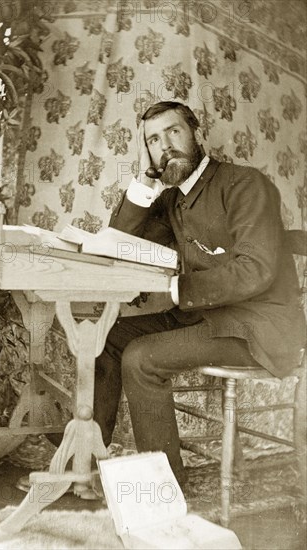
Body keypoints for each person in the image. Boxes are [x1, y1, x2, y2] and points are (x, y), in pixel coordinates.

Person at [93, 101, 306, 485]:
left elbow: (255, 269)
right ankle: (87, 461)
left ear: (195, 133)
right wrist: (144, 181)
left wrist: (176, 288)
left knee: (141, 358)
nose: (166, 146)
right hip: (212, 316)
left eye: (173, 132)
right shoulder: (172, 199)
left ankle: (165, 490)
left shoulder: (244, 183)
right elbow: (120, 242)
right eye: (153, 140)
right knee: (110, 337)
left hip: (260, 325)